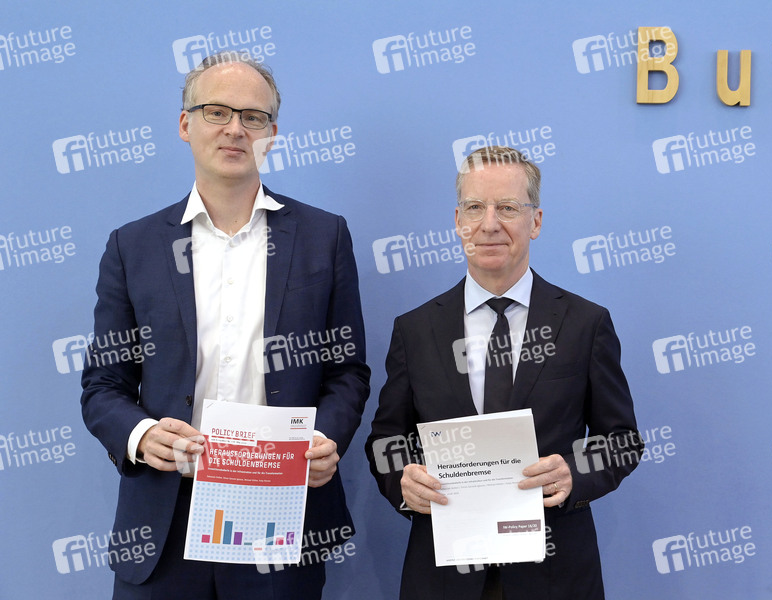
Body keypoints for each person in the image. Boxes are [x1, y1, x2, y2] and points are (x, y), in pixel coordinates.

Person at [80, 51, 370, 599]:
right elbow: (103, 385)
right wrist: (142, 436)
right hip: (163, 522)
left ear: (272, 134)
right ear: (185, 124)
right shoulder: (133, 246)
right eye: (217, 112)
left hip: (281, 512)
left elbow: (347, 371)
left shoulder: (324, 236)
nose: (235, 129)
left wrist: (326, 438)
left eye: (253, 117)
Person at [366, 146, 643, 599]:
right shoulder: (415, 329)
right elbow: (385, 441)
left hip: (555, 576)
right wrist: (402, 481)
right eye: (476, 207)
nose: (490, 224)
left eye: (508, 208)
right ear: (458, 220)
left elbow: (621, 442)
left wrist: (574, 474)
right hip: (444, 576)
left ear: (536, 221)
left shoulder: (585, 323)